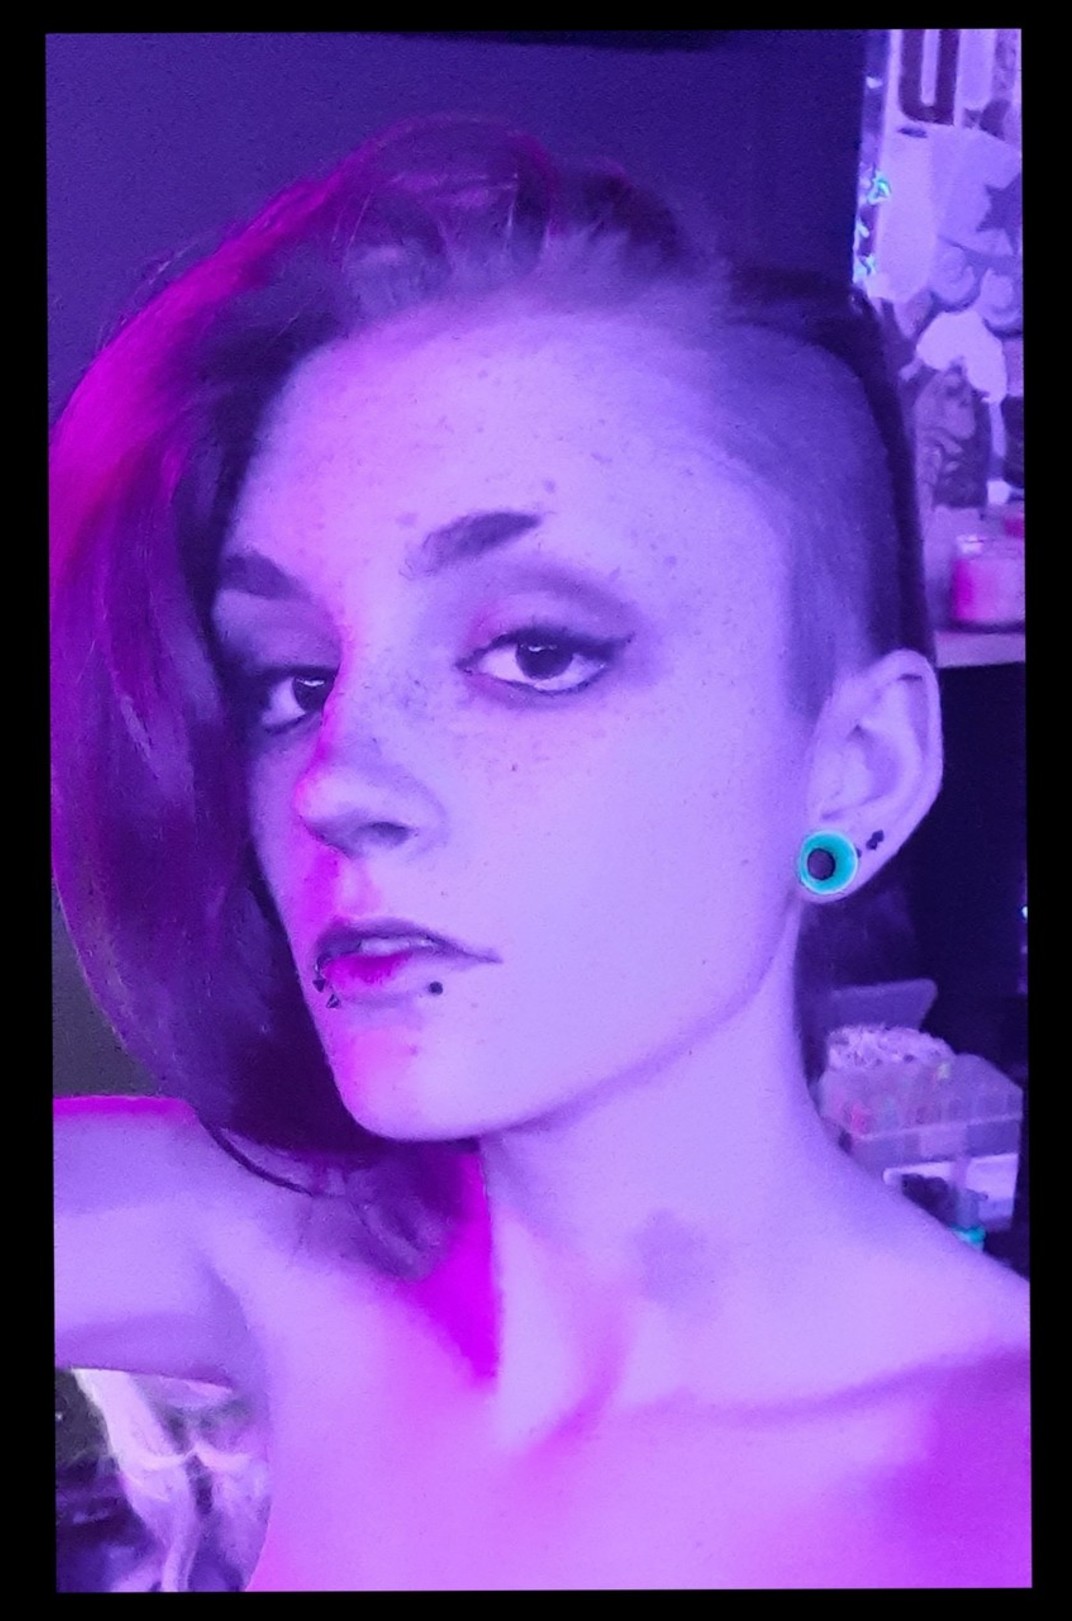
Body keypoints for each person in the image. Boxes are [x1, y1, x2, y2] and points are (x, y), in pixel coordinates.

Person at [52, 116, 1030, 1590]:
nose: (336, 784)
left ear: (859, 769)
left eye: (538, 652)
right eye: (292, 680)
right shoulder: (256, 1252)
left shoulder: (986, 1491)